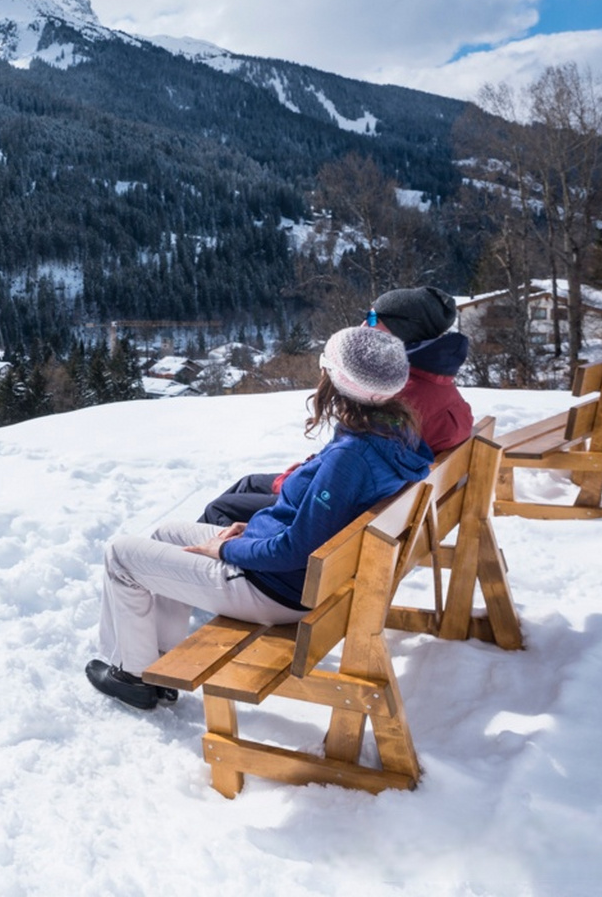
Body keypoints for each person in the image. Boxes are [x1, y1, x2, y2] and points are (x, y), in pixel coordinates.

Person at [85, 326, 432, 711]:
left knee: (119, 554)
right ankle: (161, 664)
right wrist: (253, 529)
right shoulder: (395, 436)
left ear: (338, 381)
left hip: (273, 589)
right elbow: (320, 523)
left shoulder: (351, 456)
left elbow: (296, 550)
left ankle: (130, 674)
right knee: (167, 532)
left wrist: (229, 548)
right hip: (296, 579)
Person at [197, 286, 472, 527]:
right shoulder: (435, 383)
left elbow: (350, 466)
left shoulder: (394, 396)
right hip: (383, 511)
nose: (363, 325)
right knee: (247, 483)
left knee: (219, 510)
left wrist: (293, 481)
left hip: (339, 516)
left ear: (402, 331)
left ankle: (185, 575)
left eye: (373, 317)